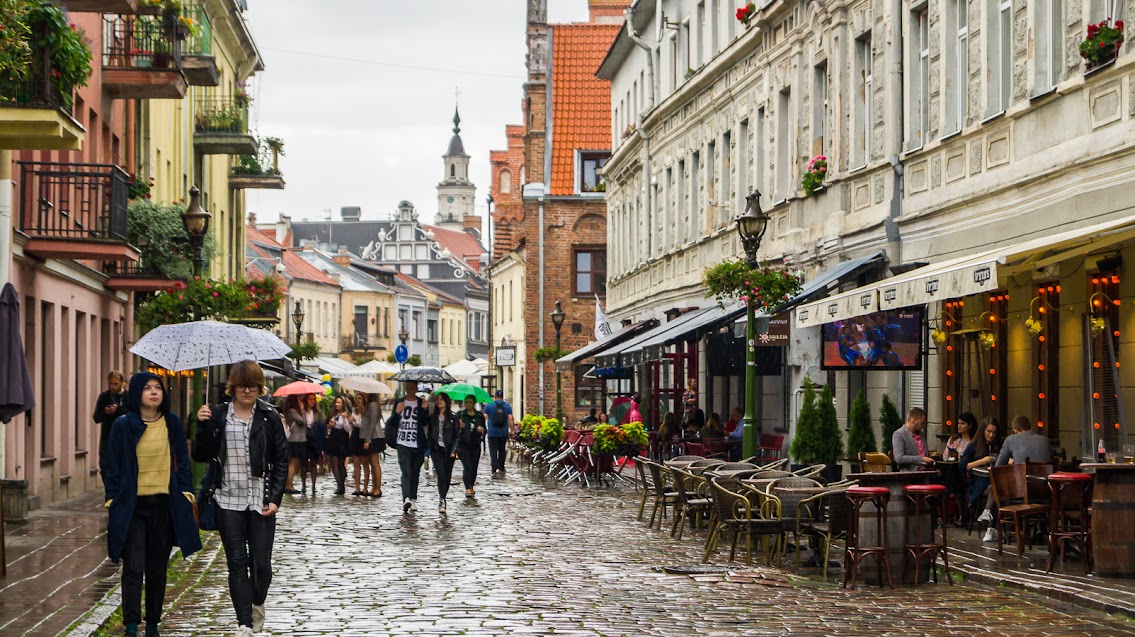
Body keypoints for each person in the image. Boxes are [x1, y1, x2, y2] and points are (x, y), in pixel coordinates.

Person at [193, 360, 287, 637]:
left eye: (253, 386)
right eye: (242, 386)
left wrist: (276, 497)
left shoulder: (270, 417)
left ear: (260, 387)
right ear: (232, 387)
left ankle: (257, 602)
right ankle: (244, 623)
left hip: (260, 498)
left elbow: (281, 460)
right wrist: (202, 426)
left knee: (261, 563)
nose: (247, 391)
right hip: (226, 498)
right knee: (236, 562)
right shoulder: (218, 415)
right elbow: (199, 454)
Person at [104, 372, 201, 637]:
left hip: (163, 505)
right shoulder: (123, 425)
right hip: (133, 506)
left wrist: (186, 493)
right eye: (147, 388)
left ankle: (154, 625)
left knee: (157, 569)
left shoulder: (171, 423)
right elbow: (111, 464)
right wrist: (112, 498)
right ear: (137, 393)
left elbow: (183, 461)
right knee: (134, 566)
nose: (154, 392)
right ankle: (132, 626)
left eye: (158, 388)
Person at [385, 380, 430, 513]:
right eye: (407, 387)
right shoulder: (399, 401)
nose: (409, 389)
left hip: (417, 443)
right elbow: (391, 422)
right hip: (402, 442)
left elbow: (425, 422)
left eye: (412, 387)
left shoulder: (420, 402)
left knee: (415, 472)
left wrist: (424, 409)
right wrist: (396, 413)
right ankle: (406, 498)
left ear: (416, 388)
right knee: (406, 471)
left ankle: (413, 498)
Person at [964, 417, 1004, 542]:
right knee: (995, 490)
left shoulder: (999, 445)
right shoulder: (974, 445)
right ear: (983, 431)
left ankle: (987, 515)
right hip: (979, 483)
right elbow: (963, 466)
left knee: (996, 489)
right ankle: (993, 529)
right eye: (988, 431)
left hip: (997, 482)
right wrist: (983, 460)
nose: (991, 435)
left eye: (994, 432)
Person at [428, 392, 460, 513]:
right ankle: (442, 499)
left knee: (447, 476)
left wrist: (454, 450)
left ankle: (443, 496)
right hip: (437, 450)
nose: (439, 402)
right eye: (437, 399)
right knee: (441, 474)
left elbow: (457, 435)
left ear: (446, 402)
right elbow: (429, 431)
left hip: (449, 450)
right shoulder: (433, 417)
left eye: (441, 399)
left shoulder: (453, 417)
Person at [95, 370, 127, 485]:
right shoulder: (104, 397)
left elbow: (132, 415)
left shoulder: (127, 397)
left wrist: (118, 410)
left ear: (122, 383)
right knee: (105, 467)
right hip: (107, 437)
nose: (113, 387)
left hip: (123, 439)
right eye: (111, 384)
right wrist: (105, 411)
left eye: (116, 384)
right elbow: (96, 417)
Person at [457, 395, 486, 497]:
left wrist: (482, 430)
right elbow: (454, 430)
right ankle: (468, 487)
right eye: (467, 402)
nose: (468, 404)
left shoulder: (479, 415)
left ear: (474, 403)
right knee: (467, 466)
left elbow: (484, 429)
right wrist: (459, 426)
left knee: (474, 466)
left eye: (470, 402)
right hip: (464, 444)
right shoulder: (461, 414)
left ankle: (471, 484)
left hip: (475, 444)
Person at [483, 390, 514, 478]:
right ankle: (501, 467)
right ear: (502, 396)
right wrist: (512, 430)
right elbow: (510, 418)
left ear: (495, 396)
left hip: (492, 433)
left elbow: (484, 417)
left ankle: (493, 467)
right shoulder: (507, 406)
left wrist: (482, 428)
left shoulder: (489, 405)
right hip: (503, 433)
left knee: (493, 451)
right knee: (501, 450)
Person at [351, 392, 376, 497]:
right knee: (356, 464)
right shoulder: (353, 410)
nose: (357, 400)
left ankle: (365, 487)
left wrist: (355, 420)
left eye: (360, 398)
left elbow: (364, 425)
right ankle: (357, 487)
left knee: (365, 463)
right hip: (355, 436)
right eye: (356, 398)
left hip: (363, 436)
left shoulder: (366, 410)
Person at [891, 406, 933, 471]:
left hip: (926, 473)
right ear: (913, 420)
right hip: (910, 475)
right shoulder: (899, 434)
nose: (923, 426)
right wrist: (921, 459)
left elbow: (926, 454)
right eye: (922, 423)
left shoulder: (921, 434)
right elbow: (899, 458)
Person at [325, 396, 351, 496]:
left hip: (342, 438)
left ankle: (342, 484)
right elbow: (327, 426)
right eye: (336, 402)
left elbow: (348, 429)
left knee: (341, 462)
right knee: (334, 461)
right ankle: (339, 485)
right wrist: (330, 425)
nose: (337, 404)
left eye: (339, 403)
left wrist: (344, 419)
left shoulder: (346, 415)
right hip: (334, 437)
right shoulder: (333, 414)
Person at [282, 396, 307, 495]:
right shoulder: (292, 411)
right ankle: (288, 485)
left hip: (298, 439)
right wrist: (302, 411)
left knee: (295, 463)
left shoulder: (291, 411)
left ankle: (289, 484)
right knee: (293, 462)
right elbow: (302, 421)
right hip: (295, 439)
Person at [302, 394, 324, 495]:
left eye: (313, 400)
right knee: (304, 462)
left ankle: (313, 485)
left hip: (314, 439)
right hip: (304, 438)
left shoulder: (318, 413)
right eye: (310, 399)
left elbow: (321, 425)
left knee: (314, 462)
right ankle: (303, 484)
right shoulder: (302, 412)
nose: (312, 401)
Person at [364, 394, 384, 498]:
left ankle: (377, 488)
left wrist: (368, 439)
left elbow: (372, 423)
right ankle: (375, 487)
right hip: (373, 436)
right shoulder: (371, 404)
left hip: (375, 436)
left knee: (375, 463)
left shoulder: (373, 405)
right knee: (373, 463)